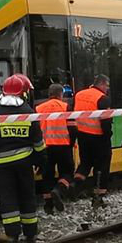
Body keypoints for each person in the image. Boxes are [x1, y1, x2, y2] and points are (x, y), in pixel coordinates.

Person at [0, 74, 42, 243]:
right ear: (23, 93)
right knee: (27, 196)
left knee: (8, 197)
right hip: (25, 163)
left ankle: (11, 234)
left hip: (3, 165)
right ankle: (31, 234)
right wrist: (41, 162)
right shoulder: (28, 112)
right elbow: (38, 143)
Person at [34, 82, 74, 214]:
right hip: (63, 146)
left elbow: (34, 130)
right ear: (60, 94)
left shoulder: (38, 108)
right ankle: (58, 189)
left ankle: (48, 206)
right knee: (67, 172)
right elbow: (73, 128)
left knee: (47, 175)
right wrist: (71, 143)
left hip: (45, 147)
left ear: (49, 94)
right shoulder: (66, 107)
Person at [73, 75, 113, 199]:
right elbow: (105, 122)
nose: (107, 89)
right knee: (102, 165)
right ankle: (99, 196)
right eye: (107, 86)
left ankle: (74, 185)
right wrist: (108, 136)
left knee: (85, 163)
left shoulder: (79, 95)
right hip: (98, 137)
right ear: (101, 84)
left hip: (82, 135)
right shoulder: (103, 98)